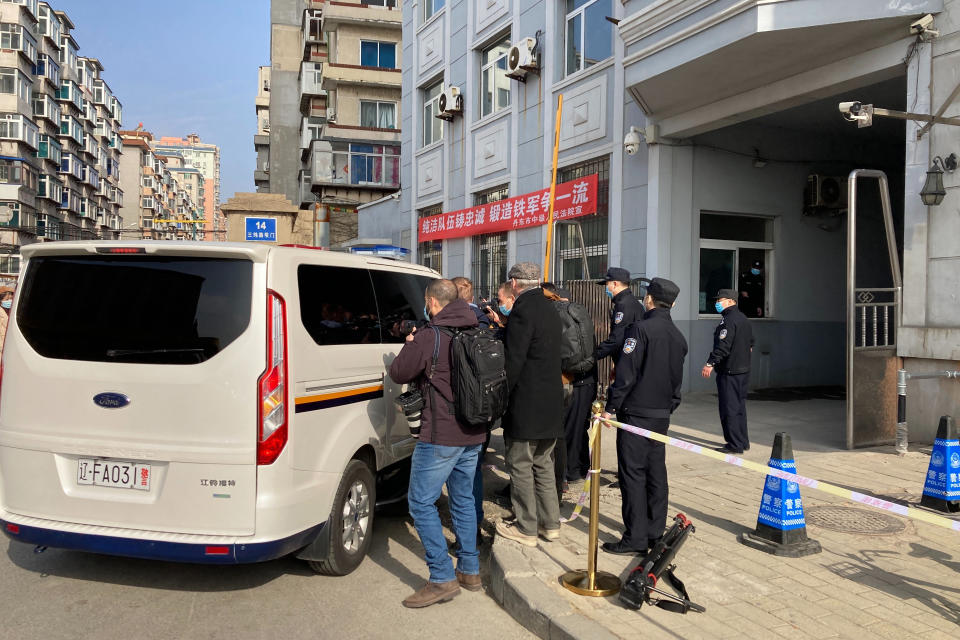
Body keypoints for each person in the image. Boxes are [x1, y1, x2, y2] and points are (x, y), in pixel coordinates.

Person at [388, 278, 487, 608]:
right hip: (473, 431)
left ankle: (442, 578)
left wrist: (410, 341)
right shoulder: (477, 328)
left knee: (419, 502)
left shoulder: (430, 336)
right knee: (462, 498)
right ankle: (469, 570)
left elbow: (400, 372)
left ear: (431, 302)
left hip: (440, 433)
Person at [601, 278, 687, 556]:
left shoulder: (639, 329)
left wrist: (610, 407)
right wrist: (670, 405)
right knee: (656, 472)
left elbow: (626, 375)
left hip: (636, 413)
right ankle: (654, 532)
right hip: (661, 414)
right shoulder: (678, 336)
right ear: (672, 303)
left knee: (633, 475)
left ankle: (635, 537)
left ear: (649, 300)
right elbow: (677, 380)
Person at [495, 262, 563, 547]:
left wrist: (500, 396)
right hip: (551, 402)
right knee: (544, 464)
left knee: (520, 464)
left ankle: (526, 528)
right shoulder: (550, 308)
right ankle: (551, 524)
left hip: (527, 403)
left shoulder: (523, 310)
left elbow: (514, 361)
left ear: (514, 283)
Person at [541, 282, 597, 497]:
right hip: (584, 379)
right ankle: (576, 470)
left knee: (560, 433)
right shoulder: (580, 316)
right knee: (575, 430)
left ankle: (564, 475)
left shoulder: (555, 316)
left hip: (564, 380)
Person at [701, 288, 754, 454]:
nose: (717, 303)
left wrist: (710, 363)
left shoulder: (728, 320)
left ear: (731, 301)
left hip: (730, 372)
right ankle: (742, 441)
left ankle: (734, 444)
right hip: (743, 370)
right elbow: (751, 343)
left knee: (729, 408)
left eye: (720, 300)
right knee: (739, 407)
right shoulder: (743, 318)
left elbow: (723, 346)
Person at [595, 267, 644, 366]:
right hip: (632, 361)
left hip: (628, 363)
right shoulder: (633, 302)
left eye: (607, 284)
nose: (606, 288)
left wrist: (593, 356)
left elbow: (617, 339)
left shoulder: (623, 305)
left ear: (615, 284)